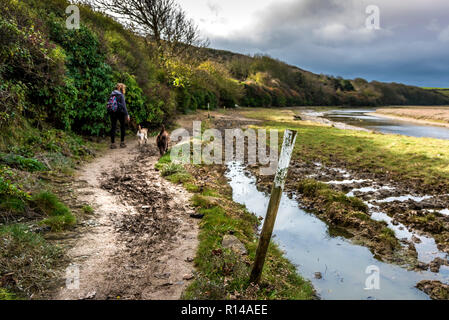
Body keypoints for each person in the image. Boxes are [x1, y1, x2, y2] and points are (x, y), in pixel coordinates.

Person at [109, 83, 130, 149]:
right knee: (122, 127)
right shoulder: (121, 95)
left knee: (113, 127)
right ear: (121, 88)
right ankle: (122, 143)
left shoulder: (112, 94)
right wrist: (127, 115)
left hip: (112, 112)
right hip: (120, 112)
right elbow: (124, 106)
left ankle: (112, 144)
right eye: (123, 88)